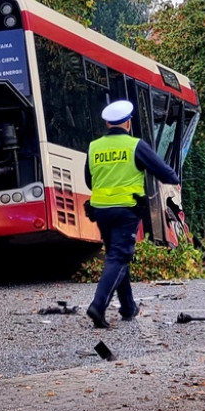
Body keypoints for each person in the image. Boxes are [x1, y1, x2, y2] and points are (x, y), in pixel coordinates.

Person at [85, 99, 179, 329]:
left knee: (117, 255)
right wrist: (172, 178)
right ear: (128, 122)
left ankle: (128, 307)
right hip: (126, 210)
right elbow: (166, 174)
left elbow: (89, 181)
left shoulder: (94, 146)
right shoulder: (134, 145)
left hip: (101, 211)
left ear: (107, 123)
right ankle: (98, 305)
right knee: (119, 256)